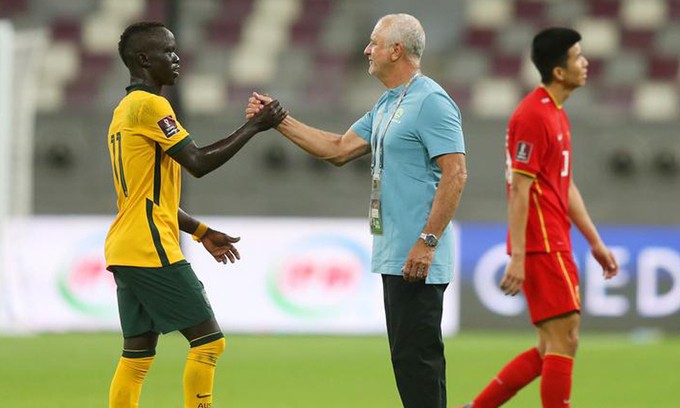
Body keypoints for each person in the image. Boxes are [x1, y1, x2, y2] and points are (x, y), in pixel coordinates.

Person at [247, 13, 466, 408]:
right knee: (411, 364)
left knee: (418, 365)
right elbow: (337, 148)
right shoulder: (387, 103)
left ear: (396, 50)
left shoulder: (431, 101)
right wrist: (278, 120)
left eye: (374, 42)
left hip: (417, 257)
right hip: (394, 254)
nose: (367, 50)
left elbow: (457, 173)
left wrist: (427, 241)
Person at [105, 21, 286, 408]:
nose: (176, 58)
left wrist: (201, 230)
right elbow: (198, 162)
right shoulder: (151, 105)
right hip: (149, 247)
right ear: (142, 59)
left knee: (137, 357)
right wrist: (255, 125)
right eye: (167, 51)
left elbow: (150, 198)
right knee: (209, 342)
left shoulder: (124, 111)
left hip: (125, 245)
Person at [459, 28, 619, 408]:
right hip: (542, 243)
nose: (585, 63)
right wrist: (518, 255)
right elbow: (520, 187)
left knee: (552, 345)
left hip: (554, 240)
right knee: (565, 340)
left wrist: (594, 241)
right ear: (559, 71)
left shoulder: (555, 113)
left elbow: (564, 185)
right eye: (577, 56)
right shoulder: (533, 115)